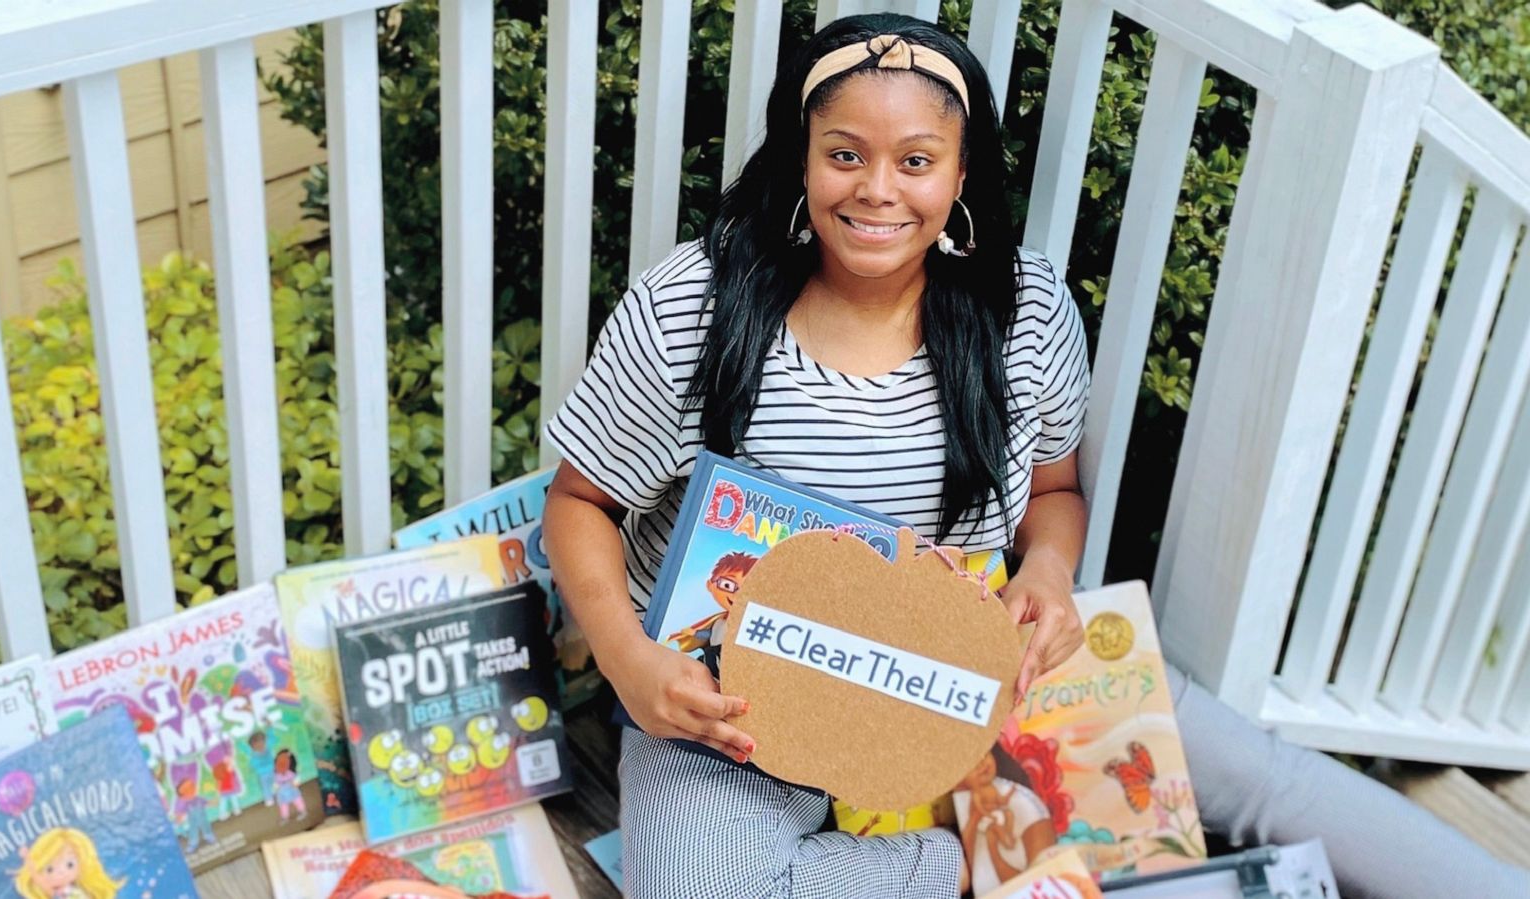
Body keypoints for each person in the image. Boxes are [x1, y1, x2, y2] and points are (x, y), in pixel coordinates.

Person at [540, 12, 1530, 898]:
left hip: (974, 662)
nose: (877, 189)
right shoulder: (696, 303)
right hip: (733, 700)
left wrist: (1049, 570)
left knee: (1263, 778)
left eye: (916, 160)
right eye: (844, 154)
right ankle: (987, 855)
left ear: (961, 174)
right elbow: (579, 500)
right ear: (800, 159)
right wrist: (629, 662)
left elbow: (1052, 487)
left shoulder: (1019, 310)